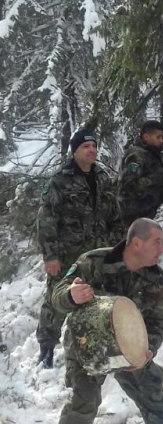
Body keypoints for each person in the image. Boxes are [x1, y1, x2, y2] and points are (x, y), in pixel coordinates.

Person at [40, 218, 163, 424]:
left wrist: (146, 349)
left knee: (150, 384)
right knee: (84, 401)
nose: (162, 249)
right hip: (86, 343)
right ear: (136, 243)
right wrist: (72, 295)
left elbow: (158, 321)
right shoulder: (94, 262)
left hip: (130, 347)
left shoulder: (155, 278)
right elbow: (57, 295)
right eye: (156, 242)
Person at [36, 128, 119, 368]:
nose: (91, 150)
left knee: (96, 298)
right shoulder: (60, 180)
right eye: (86, 146)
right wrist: (50, 255)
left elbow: (114, 214)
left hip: (96, 254)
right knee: (55, 301)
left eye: (93, 146)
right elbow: (46, 220)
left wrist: (116, 245)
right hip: (66, 256)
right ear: (74, 151)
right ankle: (46, 348)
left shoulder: (102, 177)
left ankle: (92, 345)